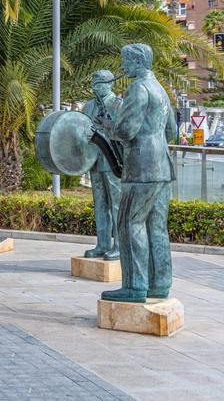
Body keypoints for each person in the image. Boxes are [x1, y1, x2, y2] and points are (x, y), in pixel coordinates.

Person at [95, 44, 176, 304]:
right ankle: (160, 284)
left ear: (139, 61)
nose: (122, 67)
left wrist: (108, 126)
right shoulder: (160, 90)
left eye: (126, 61)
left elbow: (126, 131)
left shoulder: (138, 88)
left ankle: (135, 287)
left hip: (141, 167)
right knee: (157, 227)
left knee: (130, 224)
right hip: (162, 167)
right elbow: (171, 131)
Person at [81, 70, 122, 261]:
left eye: (101, 83)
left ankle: (120, 245)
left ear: (110, 84)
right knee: (100, 204)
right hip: (94, 161)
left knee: (116, 204)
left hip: (112, 161)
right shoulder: (88, 106)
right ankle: (102, 243)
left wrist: (107, 125)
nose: (97, 87)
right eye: (94, 83)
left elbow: (124, 132)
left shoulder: (118, 104)